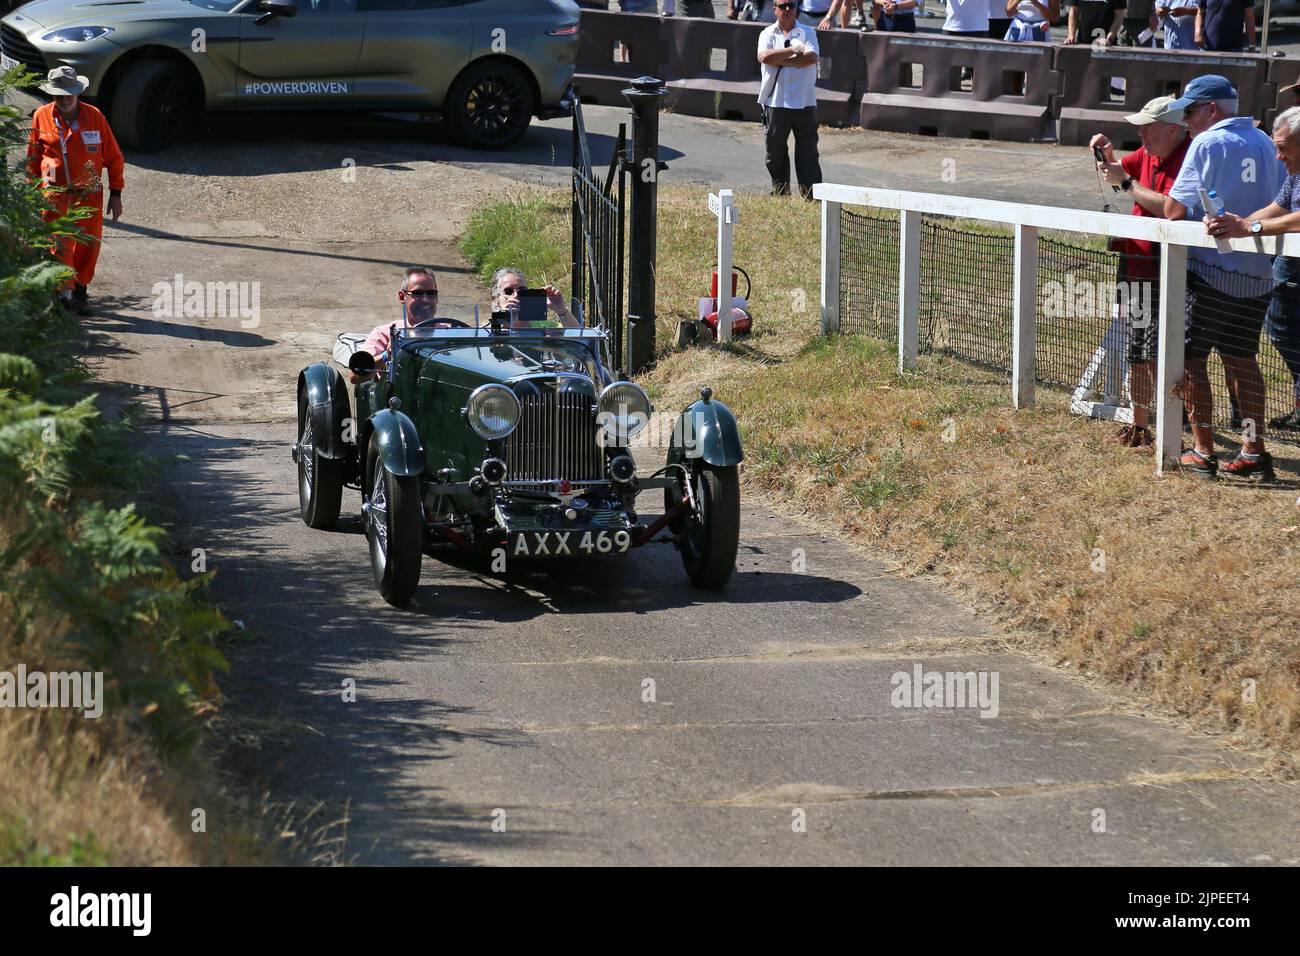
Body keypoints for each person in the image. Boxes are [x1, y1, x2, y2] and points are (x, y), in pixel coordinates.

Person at [1164, 74, 1284, 479]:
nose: (1186, 121)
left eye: (1191, 111)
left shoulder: (1207, 142)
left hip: (1210, 272)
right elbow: (1281, 205)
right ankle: (1252, 448)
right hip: (1257, 274)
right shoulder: (1266, 141)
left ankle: (1202, 449)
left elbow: (1174, 211)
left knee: (1191, 362)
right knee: (1242, 363)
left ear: (1211, 109)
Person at [1090, 96, 1191, 448]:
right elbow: (1115, 171)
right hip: (1136, 266)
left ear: (1174, 130)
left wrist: (1127, 182)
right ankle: (1141, 424)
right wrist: (1106, 153)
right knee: (1137, 349)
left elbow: (1169, 208)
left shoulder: (1188, 159)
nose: (1142, 135)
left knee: (1165, 352)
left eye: (1148, 128)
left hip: (1170, 271)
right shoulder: (1148, 153)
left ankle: (1172, 422)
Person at [1203, 106, 1300, 433]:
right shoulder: (1294, 175)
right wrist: (1232, 223)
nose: (1277, 156)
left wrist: (1250, 227)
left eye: (1283, 147)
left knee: (1283, 330)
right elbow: (1275, 209)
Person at [25, 66, 124, 317]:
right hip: (54, 194)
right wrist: (32, 195)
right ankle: (64, 294)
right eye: (59, 95)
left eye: (69, 94)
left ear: (78, 93)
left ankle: (80, 289)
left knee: (88, 247)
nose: (64, 99)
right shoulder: (41, 116)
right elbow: (33, 160)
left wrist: (116, 193)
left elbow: (113, 157)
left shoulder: (95, 117)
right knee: (59, 245)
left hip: (88, 194)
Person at [758, 2, 823, 199]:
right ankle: (781, 192)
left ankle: (811, 195)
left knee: (808, 152)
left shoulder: (807, 31)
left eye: (791, 5)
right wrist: (791, 51)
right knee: (775, 152)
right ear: (775, 8)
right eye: (783, 5)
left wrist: (781, 61)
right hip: (776, 102)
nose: (787, 9)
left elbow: (811, 58)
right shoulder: (767, 33)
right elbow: (764, 56)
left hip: (804, 102)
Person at [352, 267, 447, 382]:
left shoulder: (452, 335)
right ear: (403, 297)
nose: (426, 299)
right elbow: (355, 376)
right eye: (418, 293)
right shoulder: (385, 334)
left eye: (431, 293)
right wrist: (387, 355)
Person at [490, 268, 580, 328]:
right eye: (509, 291)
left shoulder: (546, 328)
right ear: (496, 301)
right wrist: (504, 318)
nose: (516, 295)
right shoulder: (487, 332)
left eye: (522, 290)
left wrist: (562, 311)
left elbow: (579, 341)